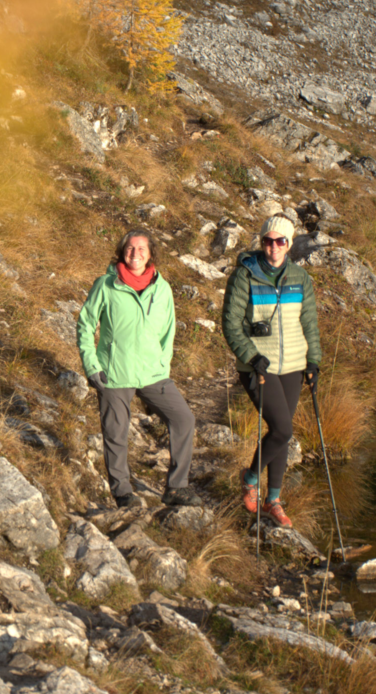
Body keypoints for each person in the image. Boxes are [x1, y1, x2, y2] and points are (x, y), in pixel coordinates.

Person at [77, 227, 202, 509]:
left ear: (150, 254)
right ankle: (123, 493)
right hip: (113, 372)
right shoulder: (106, 285)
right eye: (130, 248)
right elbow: (85, 324)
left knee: (184, 419)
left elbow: (167, 333)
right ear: (122, 252)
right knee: (116, 433)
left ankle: (176, 487)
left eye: (141, 249)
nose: (135, 254)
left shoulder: (162, 288)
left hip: (152, 374)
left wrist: (162, 365)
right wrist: (91, 365)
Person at [221, 214, 321, 527]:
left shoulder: (300, 278)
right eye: (268, 240)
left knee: (281, 433)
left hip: (293, 364)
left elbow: (310, 324)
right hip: (257, 366)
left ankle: (273, 501)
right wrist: (251, 355)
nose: (273, 247)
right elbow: (230, 323)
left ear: (290, 244)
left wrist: (314, 362)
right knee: (283, 430)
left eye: (280, 241)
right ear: (261, 242)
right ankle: (250, 478)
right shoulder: (244, 276)